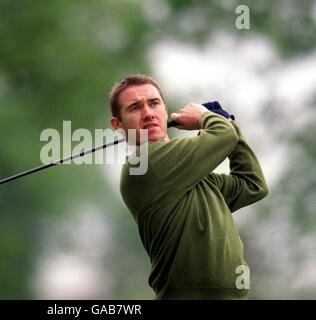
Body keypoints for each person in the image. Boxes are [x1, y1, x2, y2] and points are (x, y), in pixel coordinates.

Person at [109, 74, 268, 299]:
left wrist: (227, 123)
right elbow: (223, 137)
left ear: (165, 110)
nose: (148, 113)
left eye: (154, 103)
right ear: (118, 124)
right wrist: (208, 118)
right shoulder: (143, 164)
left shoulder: (197, 177)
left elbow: (253, 184)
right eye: (135, 108)